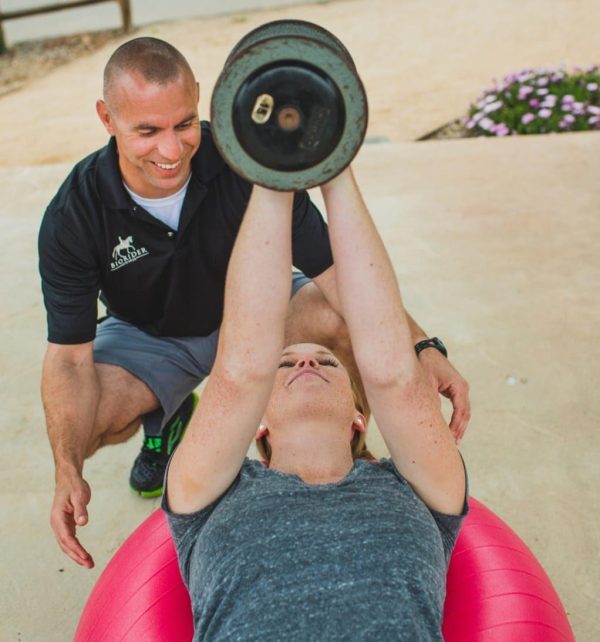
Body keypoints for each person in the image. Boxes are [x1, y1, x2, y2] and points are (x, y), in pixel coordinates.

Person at [38, 37, 469, 570]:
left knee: (337, 321)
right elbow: (68, 359)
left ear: (199, 100)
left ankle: (351, 463)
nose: (171, 151)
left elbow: (339, 276)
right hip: (153, 333)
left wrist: (420, 346)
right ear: (107, 117)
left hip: (260, 315)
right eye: (146, 131)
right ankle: (169, 419)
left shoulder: (247, 158)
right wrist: (67, 468)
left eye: (183, 124)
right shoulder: (72, 215)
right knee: (90, 417)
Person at [163, 167, 467, 641]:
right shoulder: (208, 497)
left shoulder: (418, 489)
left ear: (358, 414)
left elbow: (393, 376)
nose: (305, 359)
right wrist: (265, 172)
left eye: (327, 360)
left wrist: (337, 168)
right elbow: (239, 375)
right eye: (283, 365)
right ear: (257, 424)